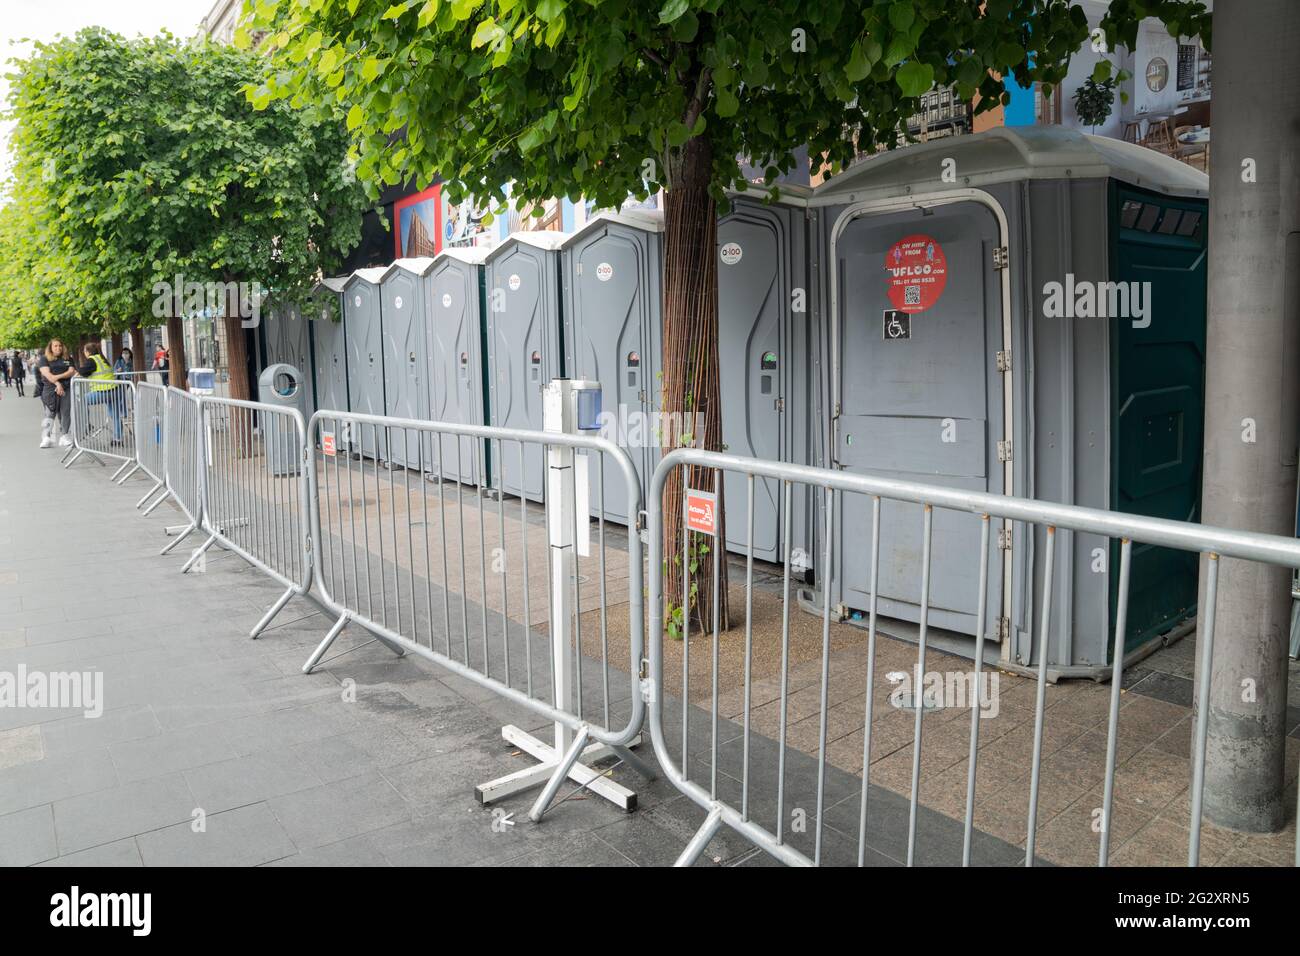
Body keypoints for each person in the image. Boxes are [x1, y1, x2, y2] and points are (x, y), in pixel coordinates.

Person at [78, 342, 123, 444]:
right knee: (115, 416)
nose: (84, 353)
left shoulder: (92, 360)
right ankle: (118, 439)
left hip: (103, 392)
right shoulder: (103, 359)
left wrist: (78, 372)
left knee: (80, 400)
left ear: (88, 351)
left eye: (84, 351)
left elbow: (83, 371)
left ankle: (86, 425)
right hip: (115, 391)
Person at [37, 339, 75, 448]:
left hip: (65, 389)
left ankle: (64, 436)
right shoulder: (44, 359)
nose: (58, 348)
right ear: (50, 348)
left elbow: (71, 371)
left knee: (65, 413)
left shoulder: (68, 359)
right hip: (49, 390)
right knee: (50, 413)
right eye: (55, 346)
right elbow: (47, 375)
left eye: (60, 346)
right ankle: (46, 438)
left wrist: (56, 378)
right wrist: (58, 383)